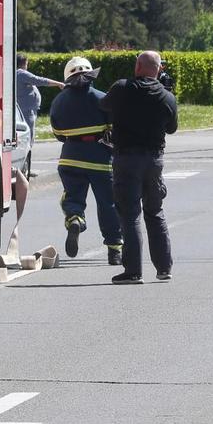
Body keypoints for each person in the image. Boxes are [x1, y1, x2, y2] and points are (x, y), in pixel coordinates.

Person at [99, 51, 178, 284]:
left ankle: (133, 271)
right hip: (154, 161)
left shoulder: (122, 88)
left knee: (130, 214)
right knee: (155, 212)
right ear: (159, 69)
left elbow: (104, 105)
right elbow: (172, 128)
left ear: (137, 67)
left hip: (126, 159)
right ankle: (164, 267)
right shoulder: (167, 97)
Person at [49, 57, 122, 265]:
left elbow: (58, 133)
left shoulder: (58, 101)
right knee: (108, 204)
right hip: (101, 159)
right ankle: (114, 249)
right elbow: (115, 128)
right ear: (90, 75)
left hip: (70, 158)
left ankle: (75, 219)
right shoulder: (103, 98)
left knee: (72, 197)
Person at [16, 54, 64, 169]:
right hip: (27, 111)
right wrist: (58, 84)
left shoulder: (16, 74)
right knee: (29, 138)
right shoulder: (21, 73)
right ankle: (25, 167)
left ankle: (25, 166)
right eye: (26, 64)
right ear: (24, 63)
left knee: (26, 138)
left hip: (26, 110)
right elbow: (39, 80)